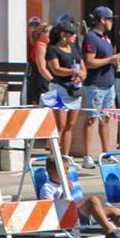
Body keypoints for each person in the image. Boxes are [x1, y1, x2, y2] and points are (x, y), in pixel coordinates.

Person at [38, 155, 120, 238]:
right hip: (64, 218)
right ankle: (110, 231)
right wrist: (66, 192)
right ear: (50, 172)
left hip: (77, 215)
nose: (66, 172)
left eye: (67, 169)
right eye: (62, 170)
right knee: (93, 200)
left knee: (112, 210)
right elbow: (50, 211)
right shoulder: (47, 188)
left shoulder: (64, 183)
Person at [82, 6, 120, 169]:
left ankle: (107, 153)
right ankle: (87, 156)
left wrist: (114, 60)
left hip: (108, 83)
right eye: (110, 19)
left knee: (106, 119)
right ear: (102, 20)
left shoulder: (106, 38)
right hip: (95, 84)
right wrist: (111, 59)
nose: (112, 22)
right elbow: (89, 62)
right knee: (91, 119)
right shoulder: (91, 38)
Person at [44, 20, 85, 156]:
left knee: (70, 125)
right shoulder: (52, 49)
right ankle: (53, 156)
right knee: (60, 124)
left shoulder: (74, 48)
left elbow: (83, 68)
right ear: (63, 35)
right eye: (72, 33)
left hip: (74, 90)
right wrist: (73, 72)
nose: (74, 36)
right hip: (58, 89)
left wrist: (80, 76)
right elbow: (56, 70)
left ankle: (65, 156)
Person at [26, 21, 52, 105]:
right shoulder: (41, 47)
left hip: (38, 80)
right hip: (40, 81)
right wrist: (52, 80)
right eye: (49, 33)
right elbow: (42, 68)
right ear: (42, 34)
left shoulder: (40, 45)